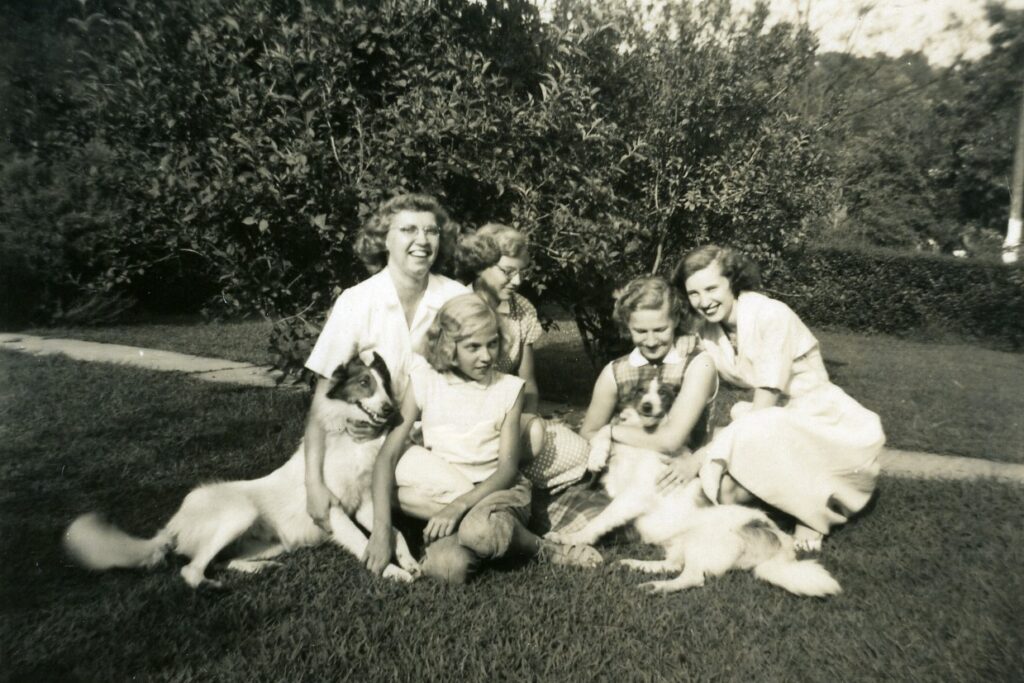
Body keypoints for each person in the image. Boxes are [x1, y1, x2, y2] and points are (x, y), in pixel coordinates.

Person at [363, 294, 603, 583]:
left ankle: (545, 549)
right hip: (445, 492)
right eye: (473, 347)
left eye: (492, 344)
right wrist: (380, 531)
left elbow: (507, 470)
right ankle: (491, 539)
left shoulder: (508, 390)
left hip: (499, 492)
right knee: (447, 568)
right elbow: (387, 456)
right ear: (449, 347)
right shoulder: (424, 381)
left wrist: (459, 506)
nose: (487, 356)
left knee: (479, 530)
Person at [673, 245, 884, 550]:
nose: (704, 301)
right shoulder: (708, 332)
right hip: (771, 424)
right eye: (693, 293)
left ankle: (812, 516)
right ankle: (777, 502)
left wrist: (699, 457)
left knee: (731, 454)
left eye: (711, 288)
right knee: (725, 495)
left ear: (732, 281)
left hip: (817, 423)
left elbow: (763, 408)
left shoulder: (771, 314)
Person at [303, 194, 468, 531]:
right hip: (375, 444)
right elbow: (323, 398)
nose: (422, 240)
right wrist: (312, 484)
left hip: (443, 433)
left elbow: (471, 381)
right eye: (408, 229)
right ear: (384, 239)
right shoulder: (357, 301)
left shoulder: (456, 297)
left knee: (469, 489)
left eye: (431, 231)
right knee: (463, 495)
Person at [542, 276, 718, 535]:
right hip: (630, 473)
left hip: (686, 473)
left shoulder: (697, 363)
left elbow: (671, 440)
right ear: (627, 326)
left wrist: (612, 432)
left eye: (660, 329)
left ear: (676, 321)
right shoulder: (616, 371)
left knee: (622, 521)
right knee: (569, 516)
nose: (650, 340)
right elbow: (589, 431)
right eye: (640, 331)